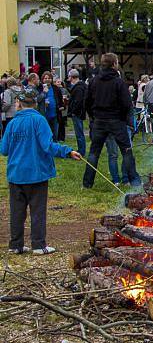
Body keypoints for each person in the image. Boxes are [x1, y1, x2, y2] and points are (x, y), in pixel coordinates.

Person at [1, 87, 81, 254]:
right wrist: (67, 151)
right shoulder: (40, 121)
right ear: (35, 104)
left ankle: (15, 245)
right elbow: (48, 146)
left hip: (16, 174)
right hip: (36, 174)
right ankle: (38, 245)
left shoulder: (12, 123)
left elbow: (4, 149)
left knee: (17, 211)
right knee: (37, 211)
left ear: (18, 103)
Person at [82, 53, 141, 189]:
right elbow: (127, 104)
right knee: (126, 151)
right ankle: (135, 182)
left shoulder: (94, 81)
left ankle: (87, 184)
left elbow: (87, 102)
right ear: (114, 64)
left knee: (94, 152)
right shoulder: (119, 82)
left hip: (99, 121)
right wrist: (127, 121)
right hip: (116, 121)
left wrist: (93, 116)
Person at [67, 69, 87, 155]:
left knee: (79, 133)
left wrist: (73, 111)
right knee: (79, 132)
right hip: (80, 112)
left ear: (71, 77)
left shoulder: (78, 87)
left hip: (78, 113)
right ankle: (81, 149)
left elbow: (78, 101)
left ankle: (81, 151)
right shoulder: (81, 86)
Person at [36, 71, 59, 137]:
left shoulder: (55, 88)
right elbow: (38, 99)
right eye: (45, 78)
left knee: (55, 134)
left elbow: (59, 99)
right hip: (44, 115)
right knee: (46, 135)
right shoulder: (39, 88)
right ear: (42, 80)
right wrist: (44, 92)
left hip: (54, 114)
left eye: (49, 78)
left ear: (51, 79)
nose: (47, 80)